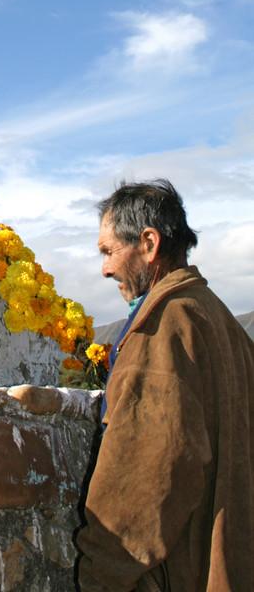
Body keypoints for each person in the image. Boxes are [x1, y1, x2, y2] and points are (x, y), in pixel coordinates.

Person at [77, 179, 253, 592]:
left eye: (108, 251)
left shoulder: (163, 330)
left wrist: (100, 577)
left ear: (149, 244)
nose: (104, 268)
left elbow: (140, 483)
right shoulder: (224, 322)